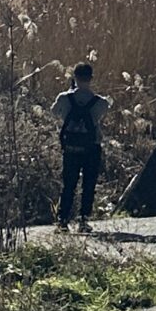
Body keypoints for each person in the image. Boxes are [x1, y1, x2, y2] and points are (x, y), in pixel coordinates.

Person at [52, 62, 111, 230]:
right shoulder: (101, 102)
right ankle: (84, 220)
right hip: (92, 147)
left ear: (74, 77)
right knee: (89, 183)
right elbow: (101, 116)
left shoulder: (64, 98)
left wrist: (70, 93)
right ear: (91, 78)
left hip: (70, 147)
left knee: (68, 183)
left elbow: (54, 112)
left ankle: (62, 220)